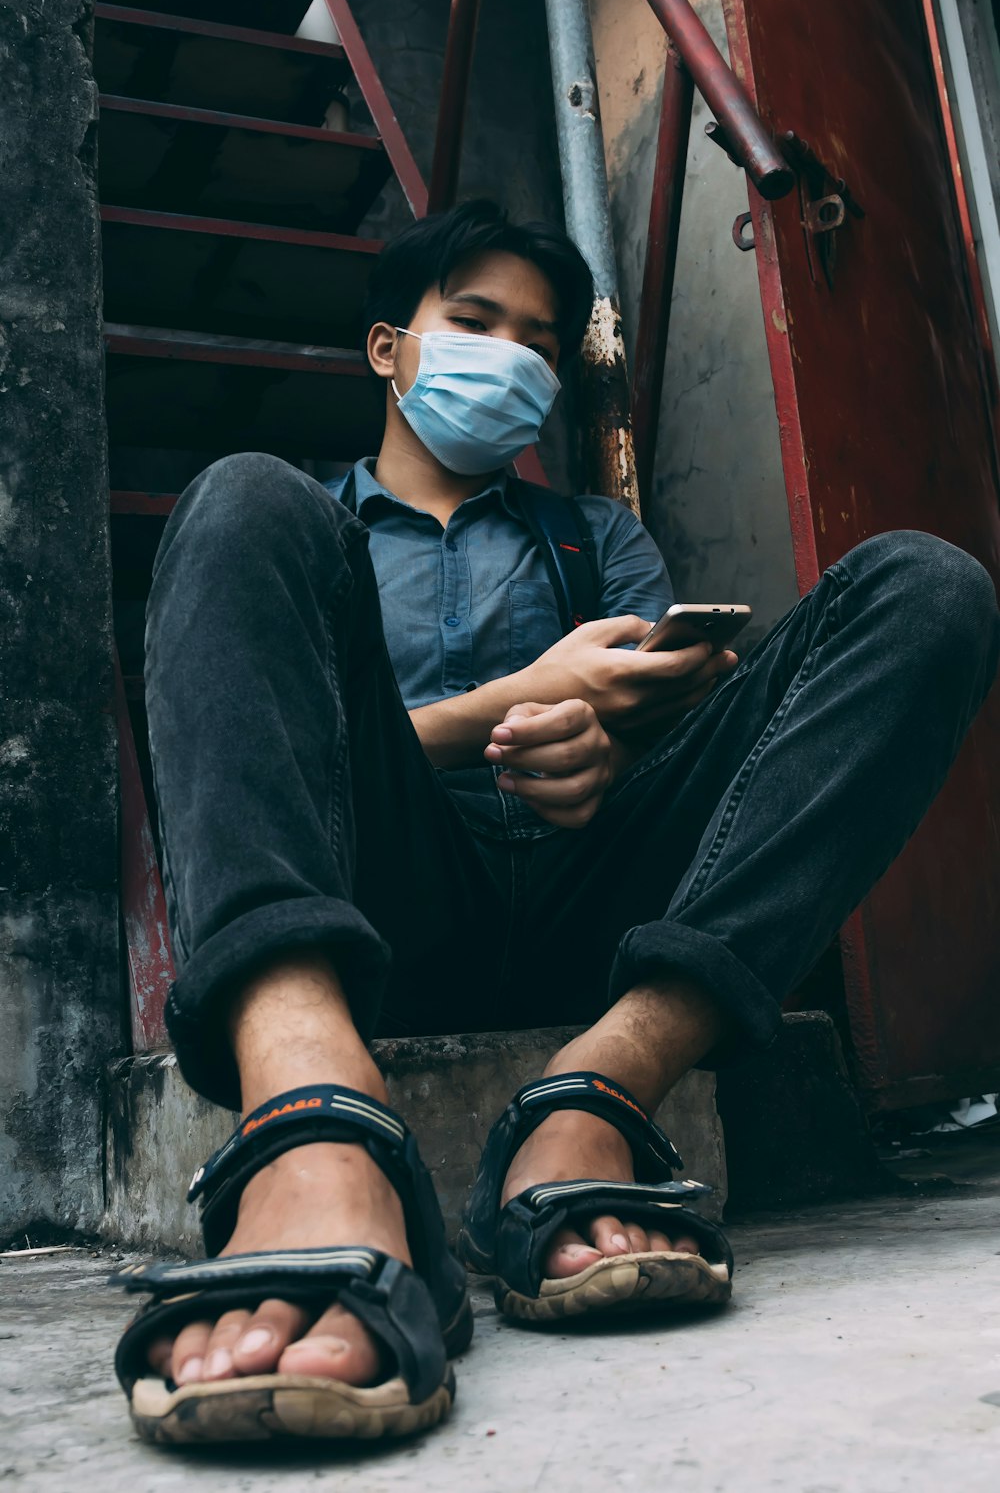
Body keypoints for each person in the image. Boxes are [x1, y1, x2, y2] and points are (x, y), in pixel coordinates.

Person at [113, 199, 1000, 1446]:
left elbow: (686, 731)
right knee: (230, 497)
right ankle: (306, 1109)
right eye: (472, 322)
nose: (508, 359)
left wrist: (606, 746)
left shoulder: (600, 541)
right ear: (388, 348)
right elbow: (262, 752)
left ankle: (602, 1085)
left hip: (604, 906)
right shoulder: (298, 536)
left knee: (928, 587)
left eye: (536, 341)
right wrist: (507, 703)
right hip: (394, 908)